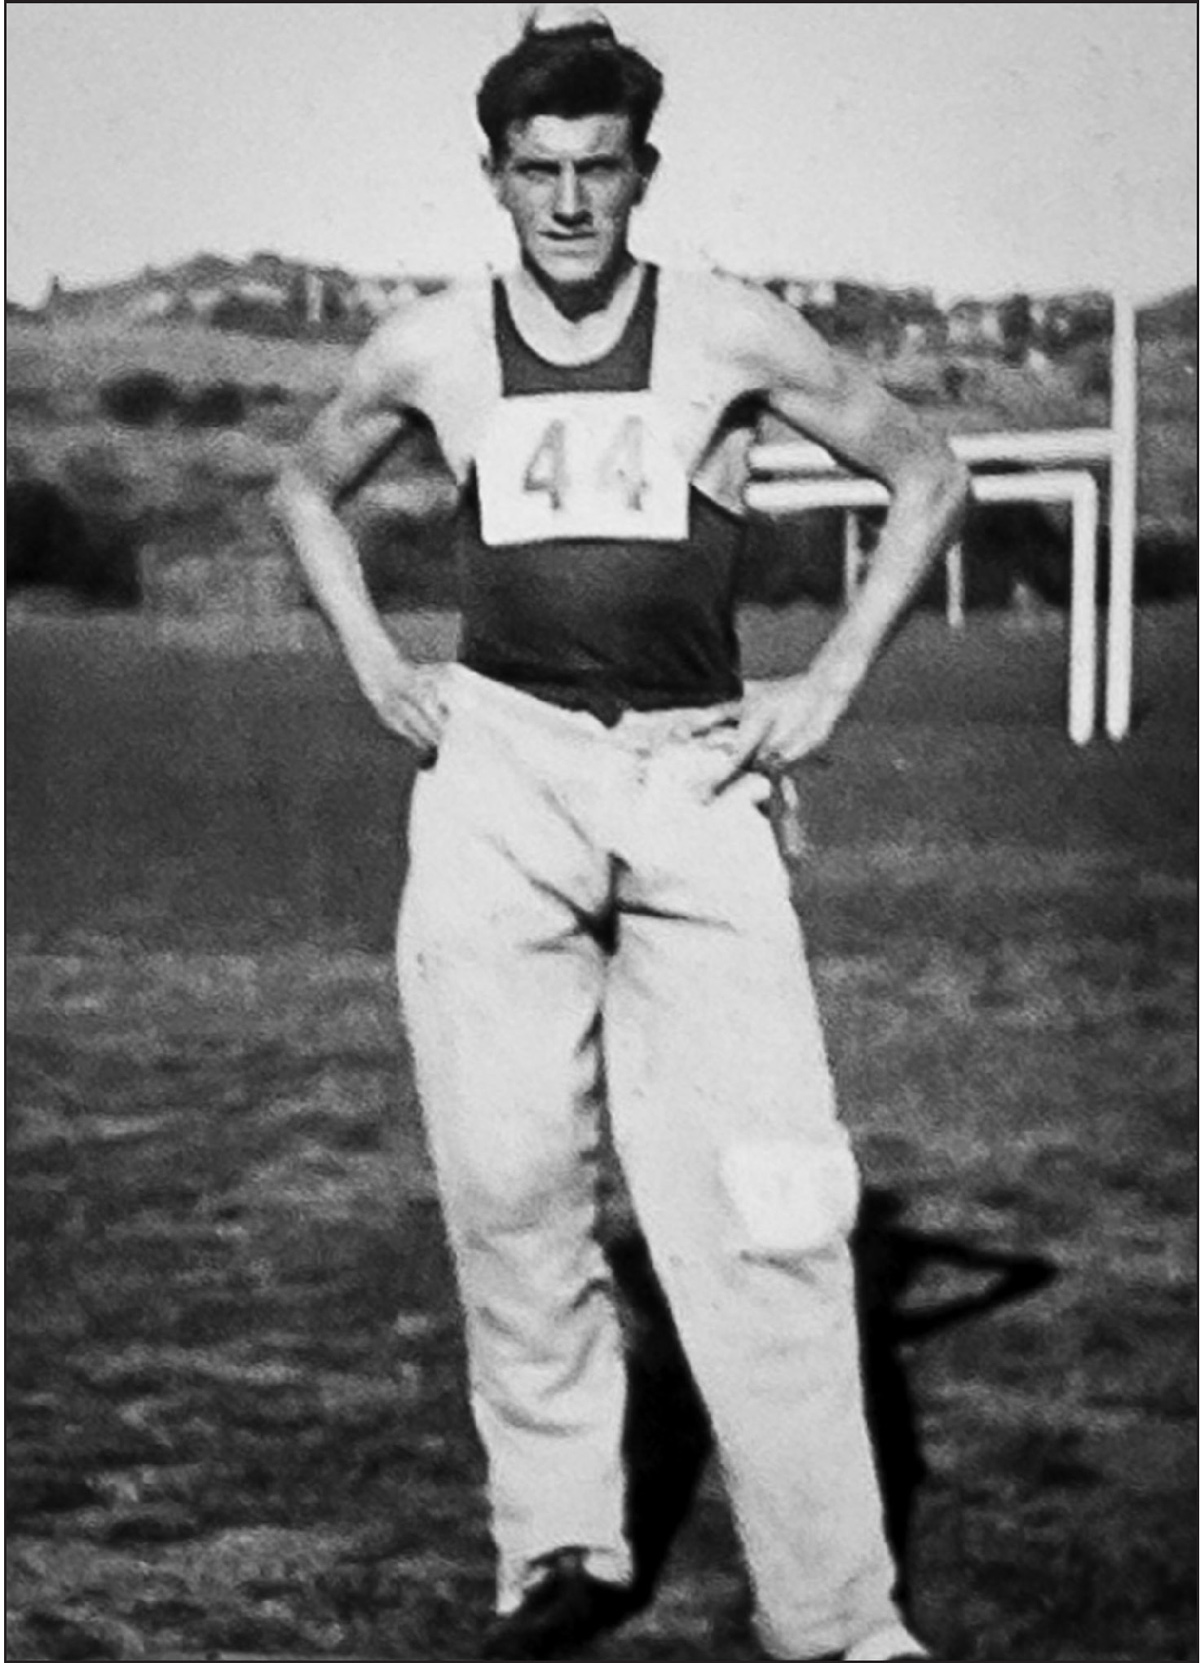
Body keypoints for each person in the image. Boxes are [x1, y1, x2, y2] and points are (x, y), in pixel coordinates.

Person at [272, 8, 969, 1659]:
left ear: (641, 171)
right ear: (496, 179)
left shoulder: (726, 327)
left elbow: (925, 469)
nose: (570, 203)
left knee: (774, 1205)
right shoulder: (433, 345)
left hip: (693, 786)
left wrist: (832, 684)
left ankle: (838, 1618)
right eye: (539, 172)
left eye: (599, 169)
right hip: (499, 784)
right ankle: (562, 1548)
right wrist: (381, 662)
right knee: (509, 1183)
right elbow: (306, 484)